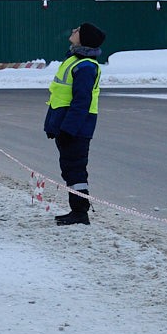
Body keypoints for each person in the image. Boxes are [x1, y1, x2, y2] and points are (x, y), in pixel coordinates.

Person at [44, 22, 105, 225]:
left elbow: (81, 102)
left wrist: (68, 130)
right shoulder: (74, 60)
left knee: (75, 170)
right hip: (65, 126)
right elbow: (59, 95)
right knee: (70, 168)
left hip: (76, 129)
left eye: (77, 30)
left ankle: (80, 213)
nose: (73, 31)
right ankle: (77, 211)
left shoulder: (86, 66)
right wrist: (52, 125)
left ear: (84, 39)